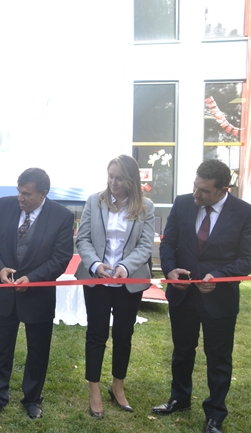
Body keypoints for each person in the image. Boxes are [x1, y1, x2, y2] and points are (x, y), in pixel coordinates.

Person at [153, 159, 251, 433]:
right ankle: (179, 398)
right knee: (182, 350)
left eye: (204, 191)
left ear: (223, 190)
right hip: (183, 295)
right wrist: (170, 270)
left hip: (219, 300)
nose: (196, 194)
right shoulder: (183, 203)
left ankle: (215, 414)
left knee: (218, 357)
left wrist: (219, 276)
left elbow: (247, 258)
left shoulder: (244, 212)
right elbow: (168, 243)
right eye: (195, 186)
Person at [0, 168, 74, 420]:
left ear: (44, 193)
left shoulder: (62, 216)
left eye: (27, 194)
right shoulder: (3, 207)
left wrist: (33, 279)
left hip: (38, 296)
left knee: (38, 350)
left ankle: (32, 398)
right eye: (19, 191)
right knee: (0, 348)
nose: (20, 198)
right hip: (5, 294)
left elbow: (61, 258)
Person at [75, 155, 154, 418]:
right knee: (96, 334)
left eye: (119, 178)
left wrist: (125, 267)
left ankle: (117, 386)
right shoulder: (94, 201)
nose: (113, 183)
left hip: (128, 283)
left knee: (123, 334)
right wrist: (96, 264)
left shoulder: (145, 207)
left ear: (131, 180)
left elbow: (145, 245)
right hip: (97, 280)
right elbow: (83, 239)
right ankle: (94, 389)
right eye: (110, 177)